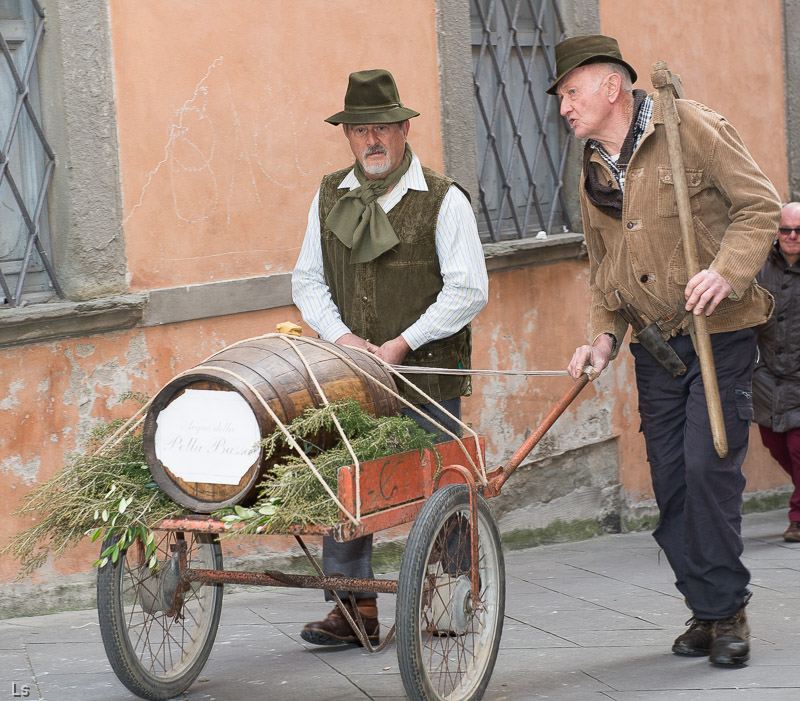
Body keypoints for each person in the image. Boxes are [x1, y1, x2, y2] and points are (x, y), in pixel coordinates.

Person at [551, 35, 781, 666]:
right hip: (656, 348)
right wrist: (602, 338)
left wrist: (726, 272)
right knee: (673, 484)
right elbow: (604, 270)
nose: (564, 107)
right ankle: (706, 609)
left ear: (610, 86)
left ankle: (727, 611)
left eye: (571, 93)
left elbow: (758, 208)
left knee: (711, 470)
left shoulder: (692, 128)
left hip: (719, 332)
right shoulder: (593, 168)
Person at [291, 69, 488, 646]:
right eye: (359, 130)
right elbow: (307, 279)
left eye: (382, 128)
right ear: (347, 135)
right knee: (344, 479)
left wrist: (403, 344)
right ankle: (354, 610)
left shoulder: (444, 199)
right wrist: (344, 341)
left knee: (441, 480)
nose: (371, 141)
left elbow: (468, 288)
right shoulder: (330, 194)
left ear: (404, 129)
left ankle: (451, 599)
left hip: (426, 372)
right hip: (353, 372)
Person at [753, 202, 800, 542]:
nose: (792, 237)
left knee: (798, 447)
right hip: (767, 375)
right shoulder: (759, 266)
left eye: (798, 231)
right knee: (774, 443)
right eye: (785, 230)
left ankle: (797, 517)